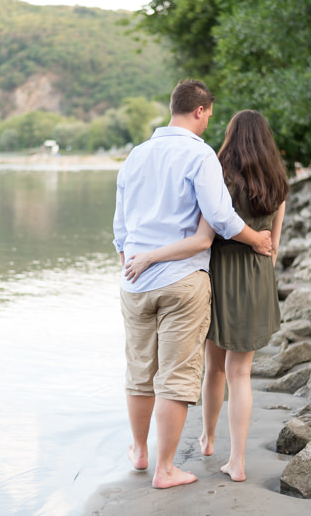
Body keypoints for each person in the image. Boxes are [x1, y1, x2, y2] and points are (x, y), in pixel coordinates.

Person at [112, 82, 273, 489]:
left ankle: (139, 451)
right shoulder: (199, 155)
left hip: (135, 280)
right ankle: (165, 469)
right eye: (209, 116)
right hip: (183, 279)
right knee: (176, 376)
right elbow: (220, 217)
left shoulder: (135, 155)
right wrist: (256, 238)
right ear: (200, 111)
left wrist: (130, 262)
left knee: (139, 372)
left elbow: (120, 227)